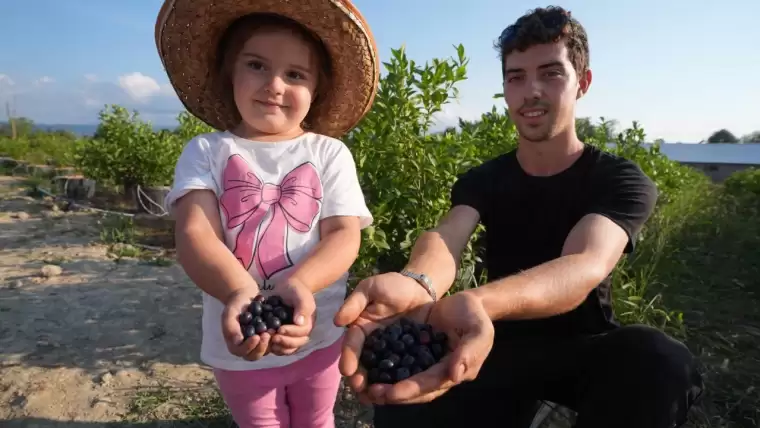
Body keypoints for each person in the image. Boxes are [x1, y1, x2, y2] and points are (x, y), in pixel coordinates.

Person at [335, 6, 704, 428]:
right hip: (494, 340)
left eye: (551, 73)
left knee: (659, 360)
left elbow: (583, 264)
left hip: (581, 346)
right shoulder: (485, 179)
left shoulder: (619, 180)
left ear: (582, 82)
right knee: (403, 397)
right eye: (516, 77)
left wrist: (476, 301)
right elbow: (447, 237)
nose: (531, 91)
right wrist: (417, 281)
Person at [155, 1, 380, 427]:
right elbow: (195, 232)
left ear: (317, 90)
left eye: (295, 74)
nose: (275, 85)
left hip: (318, 332)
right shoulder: (208, 152)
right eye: (257, 65)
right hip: (240, 336)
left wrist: (300, 286)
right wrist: (241, 292)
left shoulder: (328, 153)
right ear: (229, 74)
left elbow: (344, 235)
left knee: (317, 418)